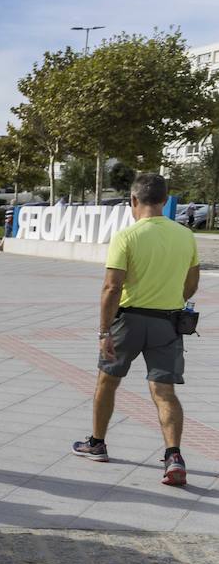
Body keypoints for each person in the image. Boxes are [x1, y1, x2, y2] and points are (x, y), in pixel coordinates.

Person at [72, 173, 200, 486]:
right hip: (168, 323)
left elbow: (111, 287)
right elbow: (192, 284)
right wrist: (171, 298)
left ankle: (98, 443)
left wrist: (104, 332)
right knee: (164, 392)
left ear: (133, 201)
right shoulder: (186, 236)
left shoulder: (127, 236)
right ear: (166, 200)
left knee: (107, 382)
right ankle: (173, 456)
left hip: (127, 322)